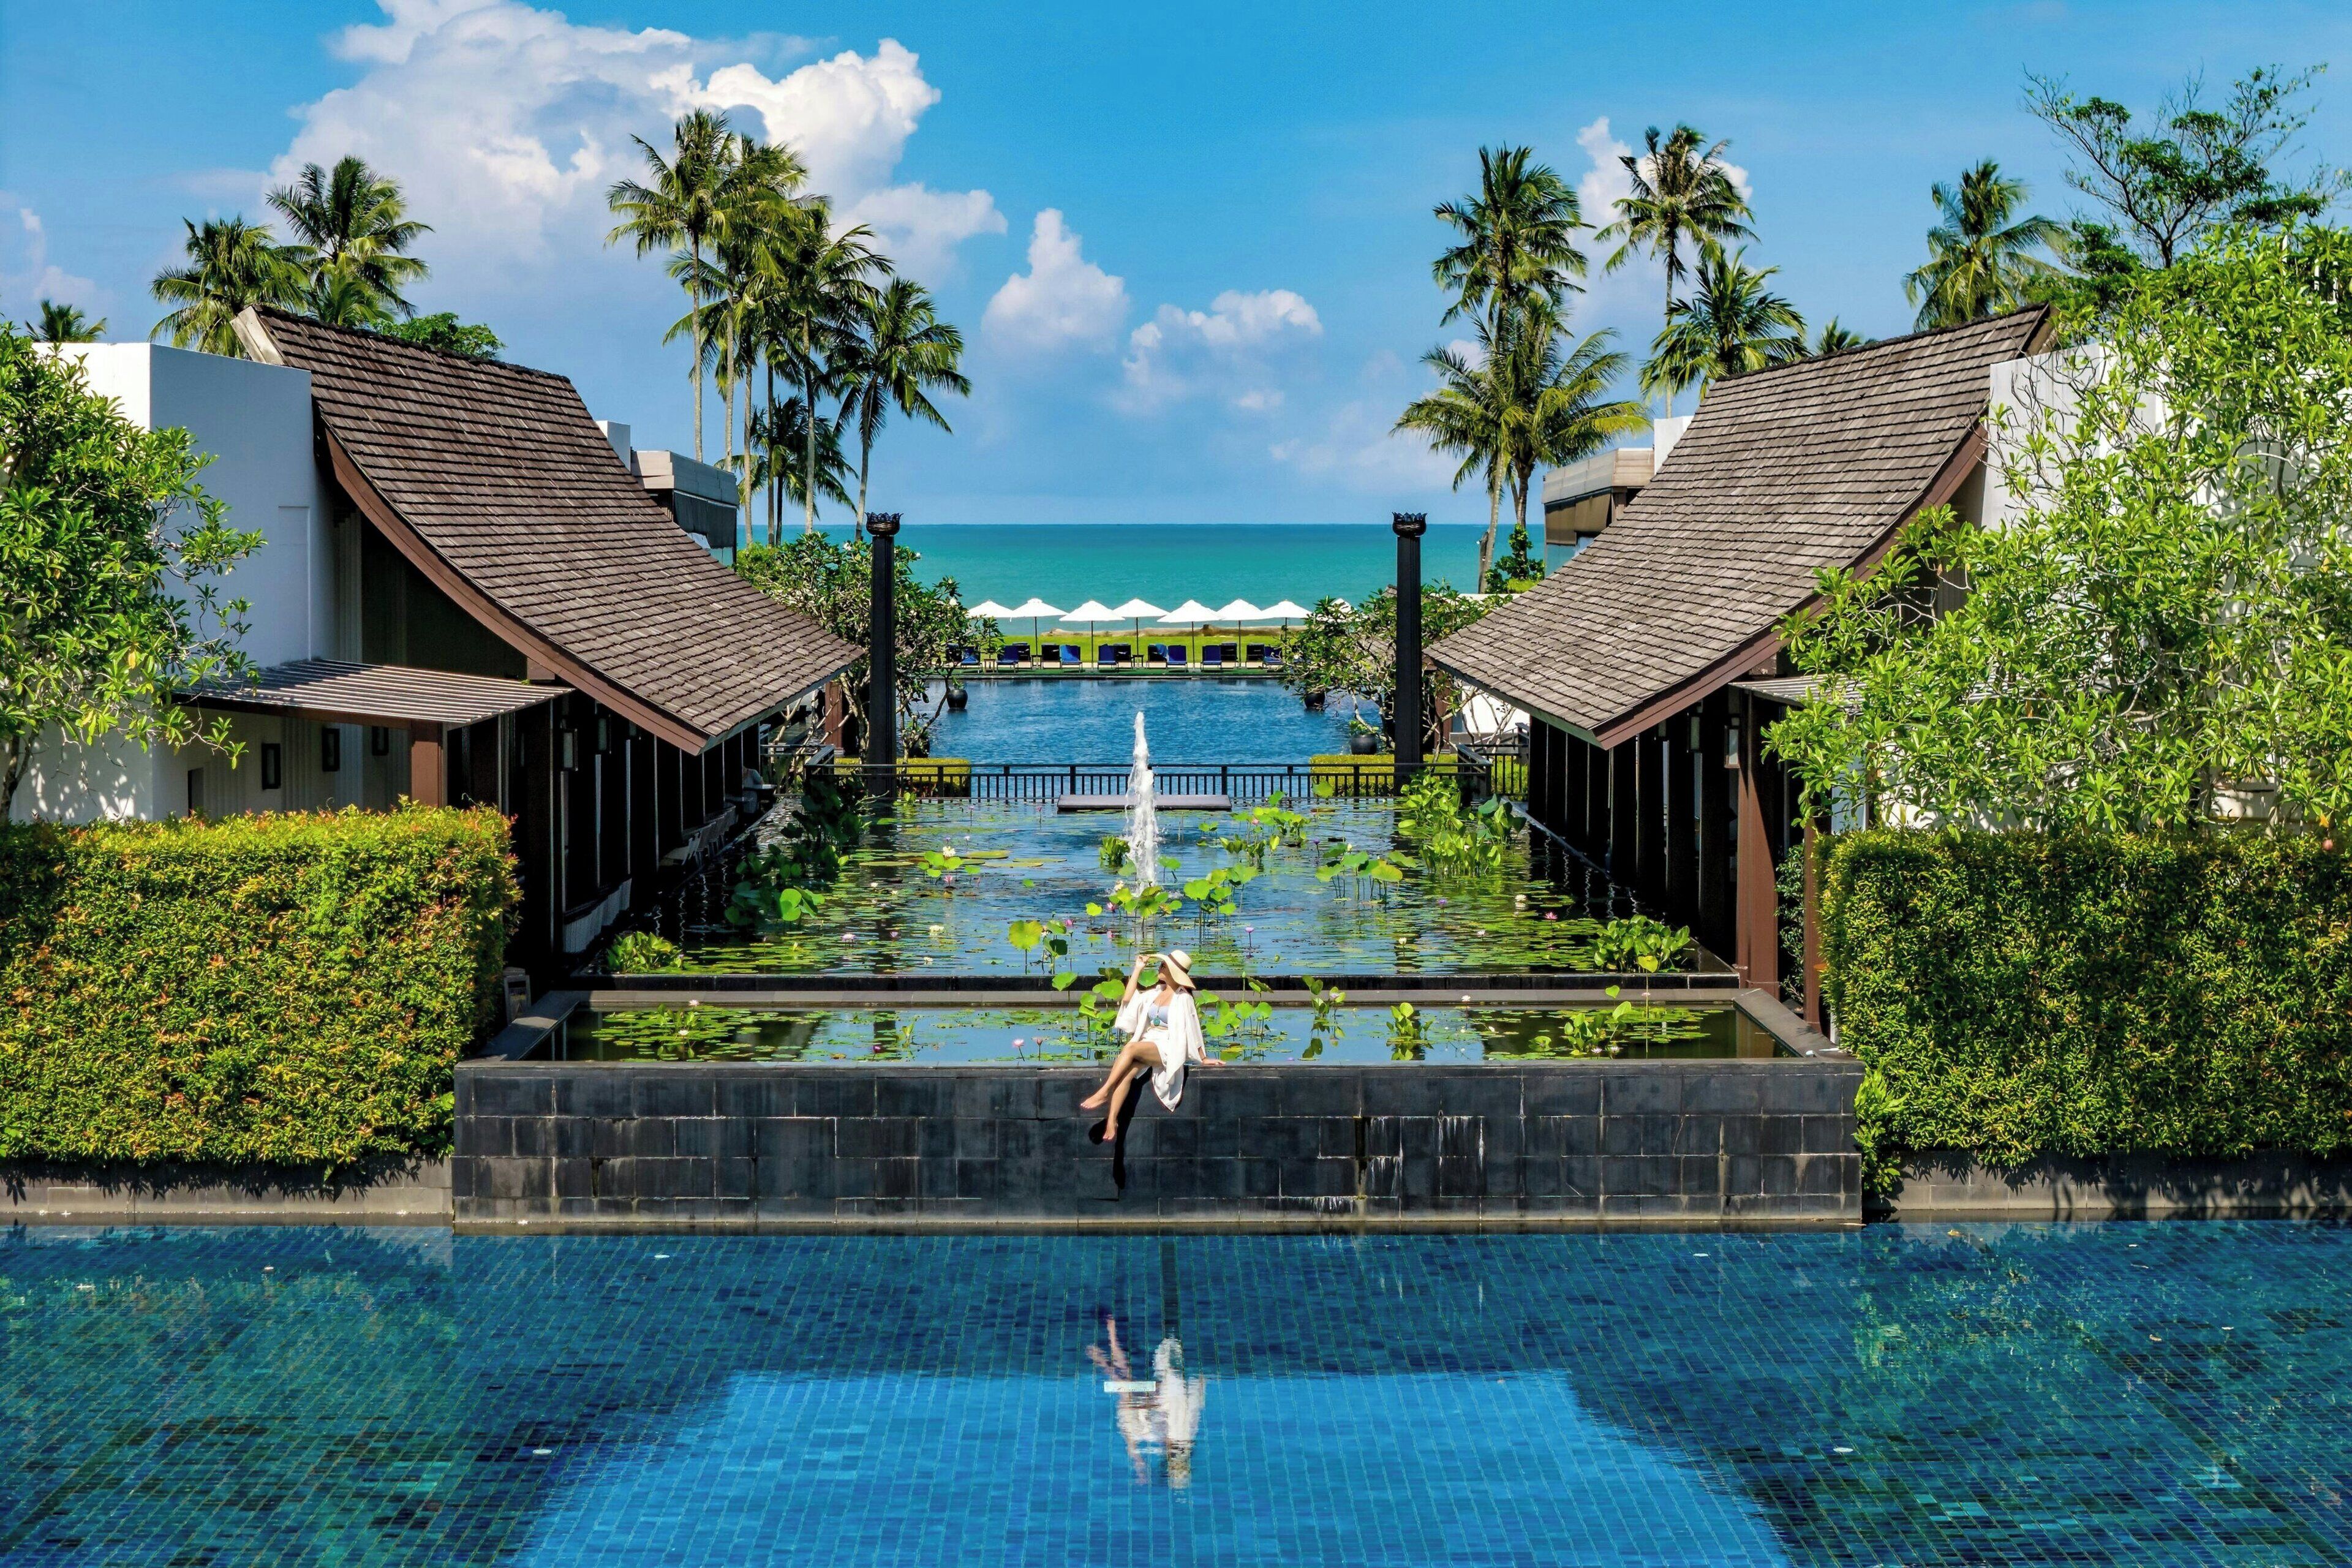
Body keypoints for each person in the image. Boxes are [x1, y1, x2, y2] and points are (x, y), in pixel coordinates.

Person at [1077, 949, 1214, 1131]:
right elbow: (1128, 999)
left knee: (1131, 1048)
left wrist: (1203, 1058)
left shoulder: (1184, 998)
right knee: (1128, 1071)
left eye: (1163, 965)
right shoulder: (1156, 992)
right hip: (1149, 1041)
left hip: (1168, 1045)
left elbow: (1193, 1028)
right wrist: (1138, 969)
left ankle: (1104, 1092)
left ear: (1173, 971)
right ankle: (1112, 1121)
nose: (1159, 967)